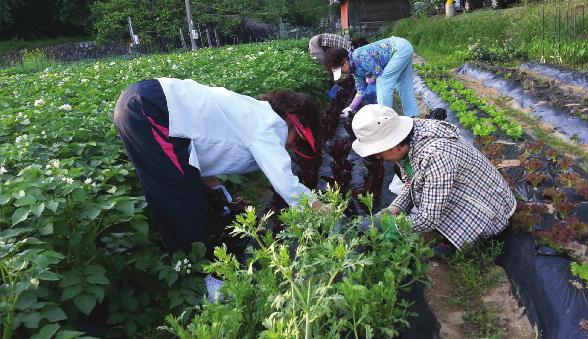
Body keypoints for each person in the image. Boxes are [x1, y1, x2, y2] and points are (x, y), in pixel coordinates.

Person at [113, 78, 326, 255]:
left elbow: (201, 154)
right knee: (181, 198)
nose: (290, 146)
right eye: (296, 141)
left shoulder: (254, 112)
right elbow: (285, 182)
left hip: (143, 103)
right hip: (153, 108)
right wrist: (321, 209)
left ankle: (182, 266)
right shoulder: (271, 125)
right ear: (293, 123)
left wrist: (224, 196)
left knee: (167, 189)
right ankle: (200, 278)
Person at [351, 104, 516, 255]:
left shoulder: (436, 154)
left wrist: (389, 226)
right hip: (466, 187)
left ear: (395, 145)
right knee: (427, 197)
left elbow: (429, 218)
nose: (378, 157)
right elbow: (411, 183)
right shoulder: (410, 138)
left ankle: (460, 239)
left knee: (433, 245)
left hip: (490, 206)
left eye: (379, 152)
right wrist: (391, 210)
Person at [325, 36, 420, 118]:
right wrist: (351, 107)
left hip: (399, 48)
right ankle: (412, 116)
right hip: (403, 48)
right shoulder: (355, 71)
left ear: (344, 61)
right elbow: (361, 91)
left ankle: (386, 119)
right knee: (404, 84)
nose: (343, 73)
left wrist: (370, 79)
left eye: (341, 71)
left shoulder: (359, 56)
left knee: (383, 82)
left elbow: (378, 72)